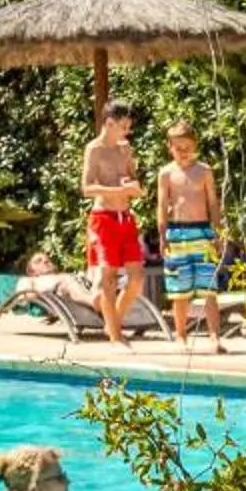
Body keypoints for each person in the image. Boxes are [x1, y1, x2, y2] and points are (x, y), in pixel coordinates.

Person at [79, 103, 145, 348]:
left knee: (137, 279)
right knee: (108, 278)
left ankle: (113, 321)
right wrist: (118, 189)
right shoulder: (94, 149)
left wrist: (134, 188)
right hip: (104, 218)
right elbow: (86, 188)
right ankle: (116, 336)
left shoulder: (125, 149)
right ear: (109, 123)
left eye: (129, 127)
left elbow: (131, 177)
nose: (127, 132)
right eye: (123, 127)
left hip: (125, 217)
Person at [155, 121, 225, 350]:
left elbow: (213, 204)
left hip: (202, 232)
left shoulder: (204, 171)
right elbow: (162, 204)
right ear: (170, 148)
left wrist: (218, 233)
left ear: (195, 146)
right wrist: (162, 234)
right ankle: (181, 335)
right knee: (179, 290)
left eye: (187, 147)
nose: (183, 153)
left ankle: (215, 336)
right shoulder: (166, 173)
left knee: (209, 288)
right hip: (177, 233)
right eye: (178, 148)